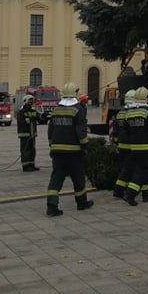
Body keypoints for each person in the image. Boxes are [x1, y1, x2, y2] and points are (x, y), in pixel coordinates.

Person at [45, 84, 93, 216]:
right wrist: (85, 146)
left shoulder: (56, 110)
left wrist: (52, 145)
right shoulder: (79, 109)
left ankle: (51, 206)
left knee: (56, 178)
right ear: (74, 94)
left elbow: (50, 131)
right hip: (74, 152)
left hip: (57, 151)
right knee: (78, 178)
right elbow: (81, 132)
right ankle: (81, 203)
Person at [121, 86, 148, 206]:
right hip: (147, 146)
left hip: (134, 147)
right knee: (144, 171)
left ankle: (147, 194)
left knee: (142, 169)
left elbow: (126, 130)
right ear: (146, 98)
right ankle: (130, 193)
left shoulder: (129, 112)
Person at [112, 89, 137, 199]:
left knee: (125, 168)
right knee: (128, 169)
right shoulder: (132, 114)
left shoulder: (120, 113)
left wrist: (116, 142)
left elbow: (115, 131)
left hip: (121, 145)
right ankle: (119, 190)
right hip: (131, 145)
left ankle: (124, 188)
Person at [17, 93, 40, 172]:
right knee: (25, 150)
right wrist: (30, 119)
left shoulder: (33, 111)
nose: (31, 103)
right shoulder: (21, 112)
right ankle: (26, 166)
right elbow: (22, 121)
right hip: (25, 135)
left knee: (32, 151)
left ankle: (32, 165)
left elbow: (38, 118)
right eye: (29, 101)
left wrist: (40, 117)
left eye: (32, 101)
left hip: (32, 134)